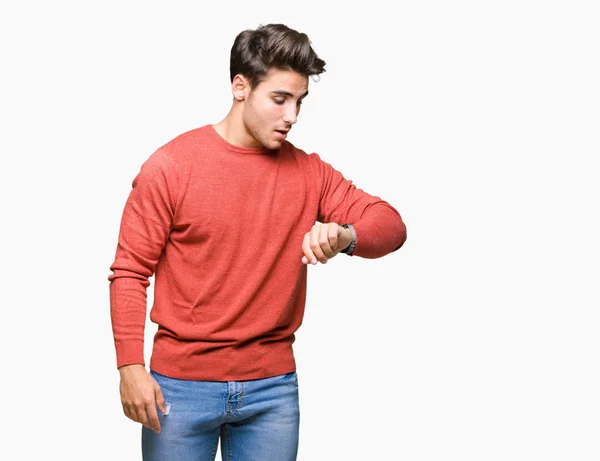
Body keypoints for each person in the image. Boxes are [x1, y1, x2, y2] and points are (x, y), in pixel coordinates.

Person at [108, 22, 407, 461]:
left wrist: (345, 236)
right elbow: (130, 271)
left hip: (272, 392)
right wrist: (130, 366)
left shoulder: (309, 172)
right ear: (240, 86)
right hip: (179, 388)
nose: (292, 116)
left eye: (300, 101)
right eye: (280, 99)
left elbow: (391, 225)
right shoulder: (171, 166)